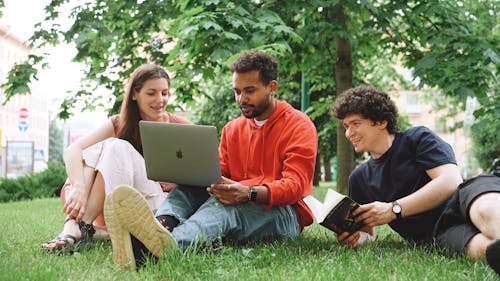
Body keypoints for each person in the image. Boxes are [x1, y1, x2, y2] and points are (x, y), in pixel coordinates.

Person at [103, 50, 318, 270]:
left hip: (284, 213)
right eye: (237, 91)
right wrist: (204, 179)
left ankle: (157, 246)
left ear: (272, 87)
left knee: (225, 210)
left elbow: (295, 186)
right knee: (191, 188)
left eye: (249, 91)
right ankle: (162, 225)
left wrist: (249, 192)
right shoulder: (232, 130)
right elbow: (217, 171)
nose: (241, 99)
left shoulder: (299, 125)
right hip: (239, 199)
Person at [331, 85, 500, 275]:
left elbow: (450, 181)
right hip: (436, 232)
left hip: (463, 197)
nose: (348, 133)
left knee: (487, 209)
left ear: (381, 122)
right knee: (481, 249)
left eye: (355, 124)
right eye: (346, 126)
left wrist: (393, 209)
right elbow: (368, 234)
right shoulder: (359, 178)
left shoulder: (418, 138)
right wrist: (356, 238)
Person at [42, 64, 191, 253]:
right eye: (151, 93)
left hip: (162, 206)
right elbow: (73, 150)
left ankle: (77, 227)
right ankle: (81, 227)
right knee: (100, 149)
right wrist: (79, 187)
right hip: (120, 200)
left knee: (112, 145)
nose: (160, 100)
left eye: (164, 93)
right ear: (135, 94)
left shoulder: (181, 127)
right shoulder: (120, 123)